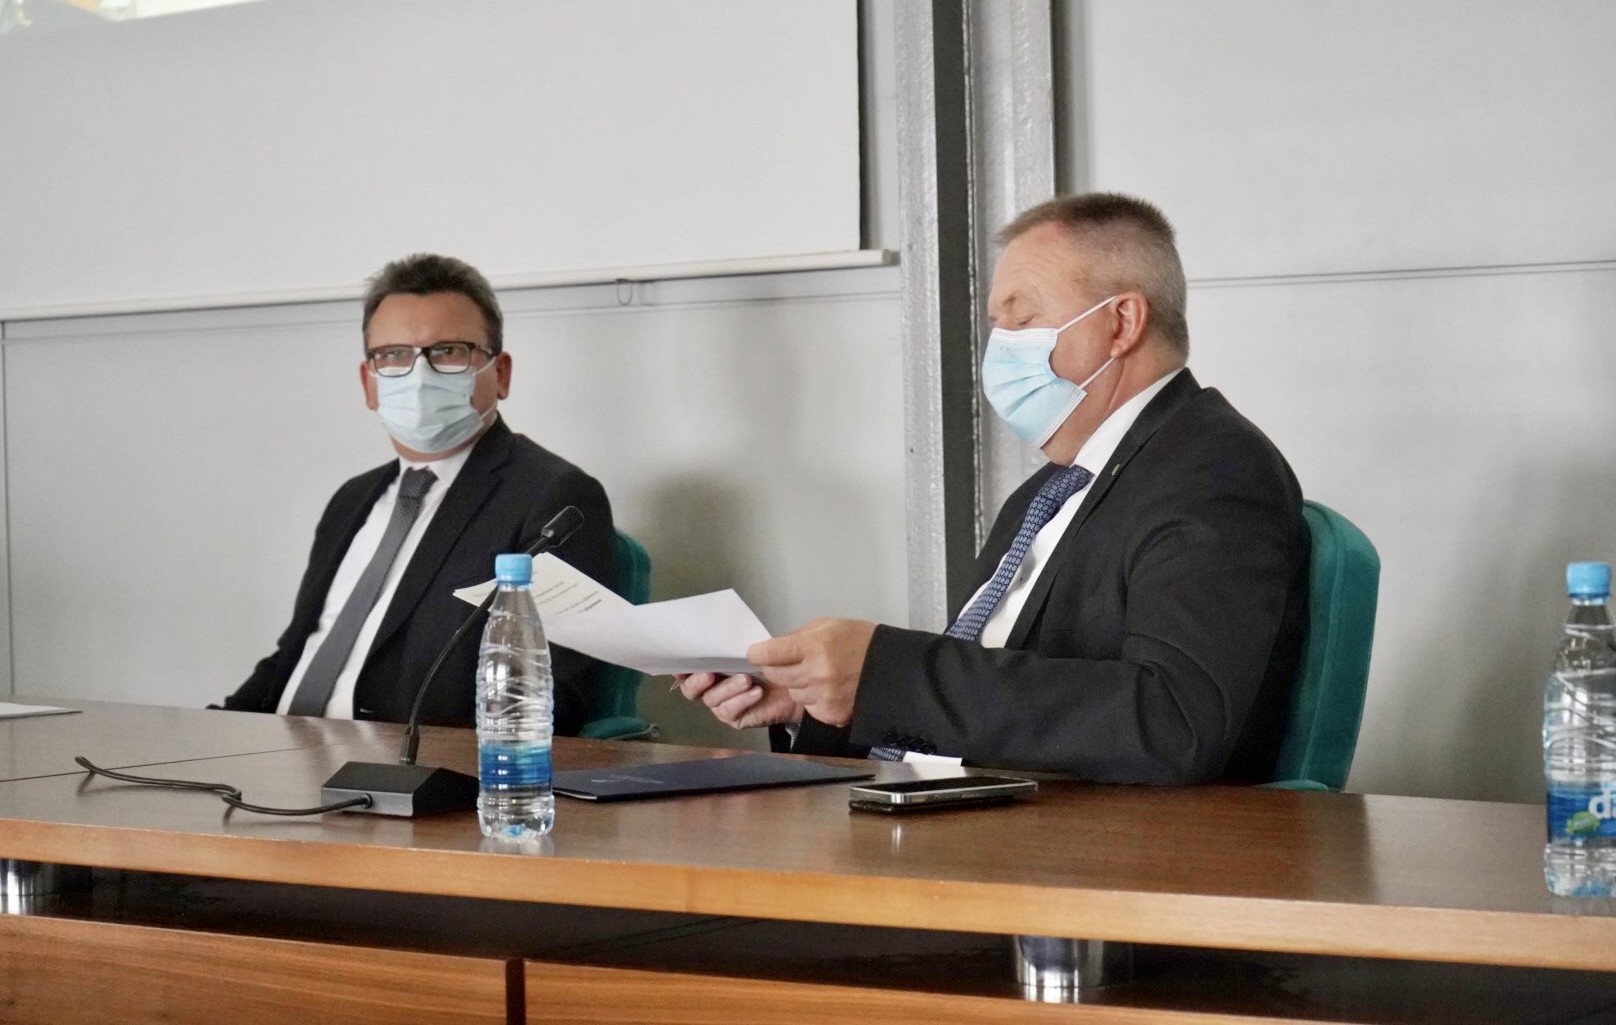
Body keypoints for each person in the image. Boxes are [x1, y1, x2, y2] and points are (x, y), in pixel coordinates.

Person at [679, 193, 1307, 783]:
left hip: (1092, 846)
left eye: (1023, 320)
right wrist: (820, 701)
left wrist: (883, 677)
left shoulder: (1211, 471)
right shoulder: (1049, 492)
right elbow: (989, 709)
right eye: (997, 327)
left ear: (1121, 323)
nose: (999, 350)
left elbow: (1175, 722)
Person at [224, 254, 615, 732]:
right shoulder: (351, 500)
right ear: (368, 383)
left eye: (448, 351)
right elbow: (296, 652)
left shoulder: (553, 496)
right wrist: (212, 735)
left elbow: (547, 694)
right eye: (393, 355)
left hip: (407, 761)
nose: (419, 375)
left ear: (501, 373)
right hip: (278, 751)